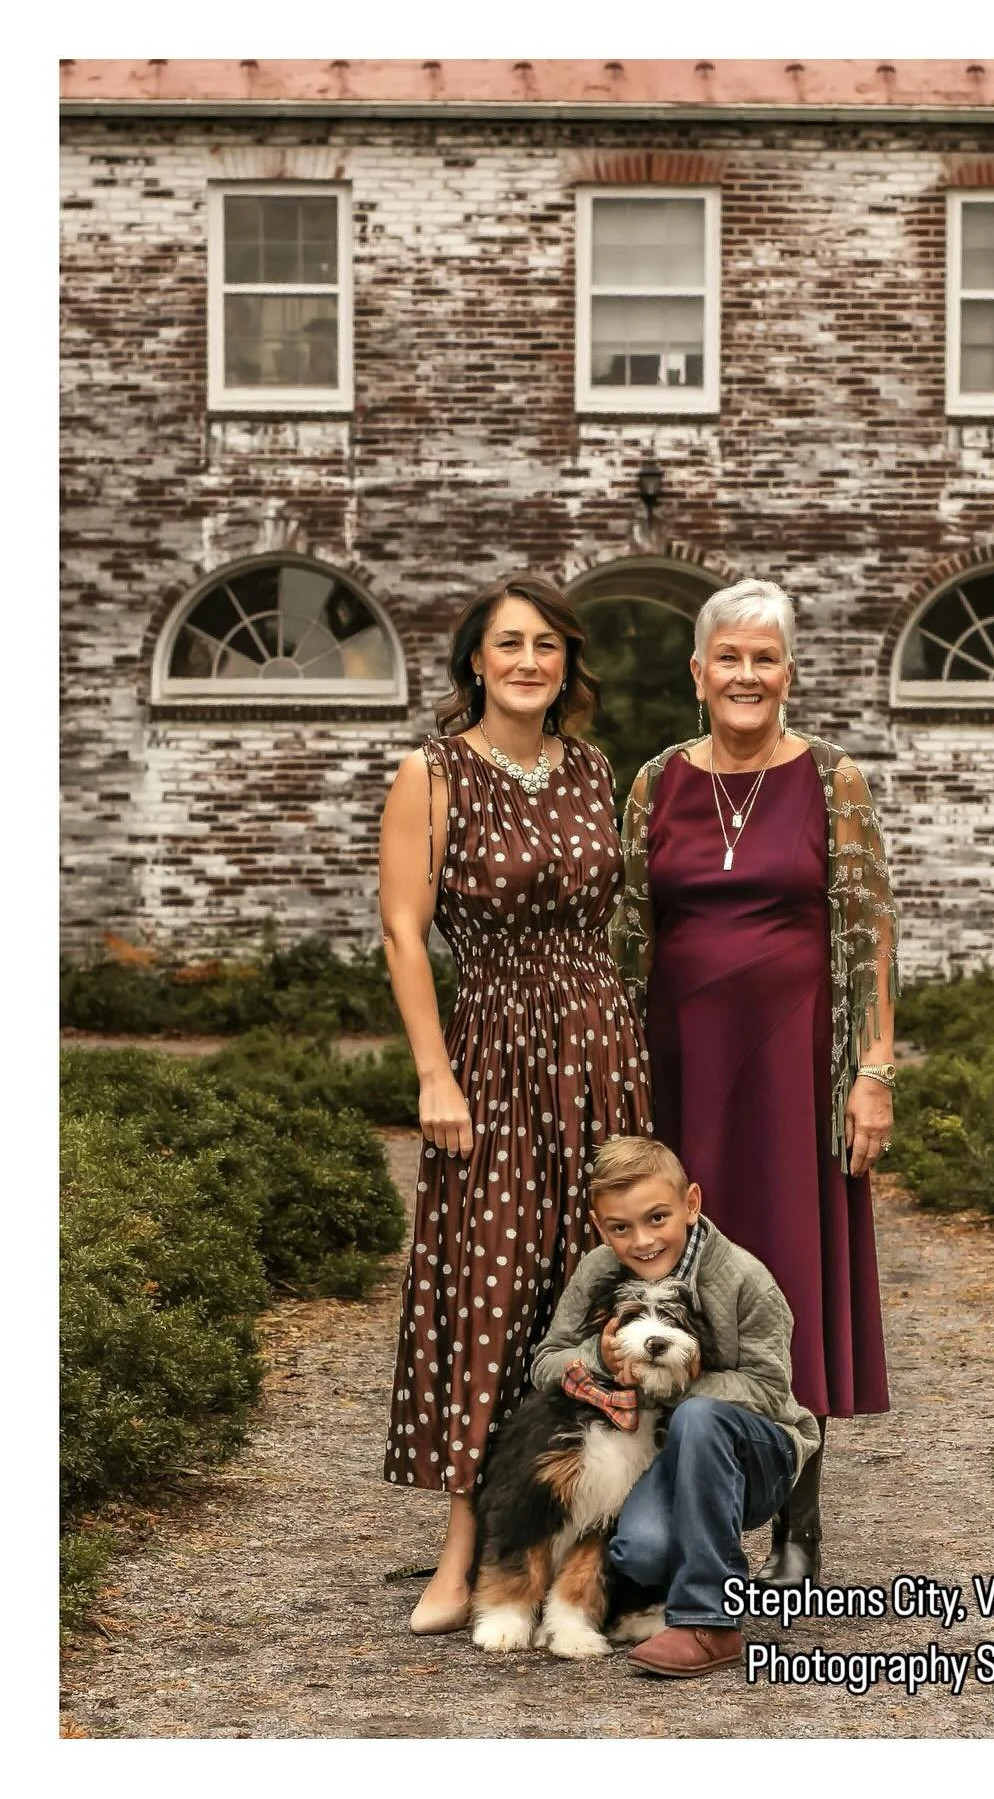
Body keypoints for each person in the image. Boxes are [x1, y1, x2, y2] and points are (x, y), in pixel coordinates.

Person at [610, 578, 897, 1587]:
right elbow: (627, 937)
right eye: (727, 658)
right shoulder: (655, 780)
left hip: (795, 1069)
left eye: (763, 659)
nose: (745, 675)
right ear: (698, 673)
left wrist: (872, 1073)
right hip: (683, 1066)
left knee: (789, 1274)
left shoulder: (834, 779)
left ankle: (802, 1519)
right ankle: (694, 1505)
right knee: (680, 1279)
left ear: (789, 671)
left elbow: (868, 933)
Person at [378, 573, 651, 1634]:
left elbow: (627, 924)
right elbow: (406, 933)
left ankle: (593, 1552)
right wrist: (433, 1071)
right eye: (508, 644)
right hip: (490, 1047)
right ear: (474, 663)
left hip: (599, 1047)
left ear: (566, 664)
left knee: (585, 1294)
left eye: (546, 644)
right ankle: (465, 1556)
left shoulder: (592, 771)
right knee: (486, 1296)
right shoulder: (432, 773)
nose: (530, 660)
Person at [530, 1135, 820, 1677]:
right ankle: (647, 1597)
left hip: (757, 1451)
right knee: (641, 1552)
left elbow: (768, 1389)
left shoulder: (745, 1280)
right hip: (663, 1455)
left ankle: (710, 1620)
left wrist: (669, 1387)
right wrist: (599, 1355)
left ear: (691, 1203)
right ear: (600, 1227)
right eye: (620, 1228)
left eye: (657, 1218)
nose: (641, 1241)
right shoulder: (598, 1271)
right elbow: (545, 1362)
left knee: (699, 1415)